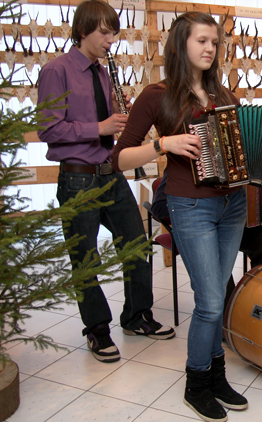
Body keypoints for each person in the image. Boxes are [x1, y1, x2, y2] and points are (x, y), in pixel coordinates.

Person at [112, 11, 262, 422]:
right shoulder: (157, 95)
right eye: (202, 40)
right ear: (180, 44)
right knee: (207, 302)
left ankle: (217, 374)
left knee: (217, 298)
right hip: (191, 207)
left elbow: (254, 155)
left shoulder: (225, 97)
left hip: (232, 205)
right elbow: (118, 158)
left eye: (214, 42)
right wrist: (163, 144)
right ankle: (195, 382)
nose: (210, 48)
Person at [37, 0, 175, 365]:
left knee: (136, 244)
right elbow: (48, 128)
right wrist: (97, 127)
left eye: (113, 32)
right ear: (83, 30)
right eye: (104, 32)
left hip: (110, 175)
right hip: (77, 179)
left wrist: (119, 114)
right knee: (86, 258)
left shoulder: (102, 72)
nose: (110, 39)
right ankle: (97, 330)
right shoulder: (57, 70)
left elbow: (108, 122)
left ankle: (136, 316)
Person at [151, 170, 262, 304]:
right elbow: (158, 208)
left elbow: (261, 205)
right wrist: (194, 207)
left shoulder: (244, 166)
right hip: (201, 232)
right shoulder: (181, 165)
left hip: (234, 226)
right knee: (215, 253)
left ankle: (258, 300)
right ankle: (229, 307)